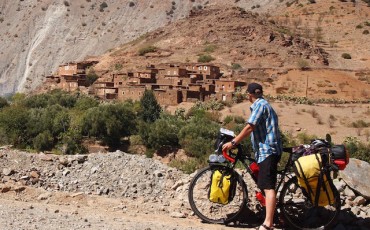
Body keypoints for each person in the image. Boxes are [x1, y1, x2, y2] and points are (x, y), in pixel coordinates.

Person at [222, 82, 282, 230]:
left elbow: (250, 127)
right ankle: (276, 216)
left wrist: (234, 142)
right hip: (266, 150)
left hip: (268, 151)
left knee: (268, 187)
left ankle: (268, 224)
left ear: (249, 95)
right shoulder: (263, 104)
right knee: (264, 183)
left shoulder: (260, 105)